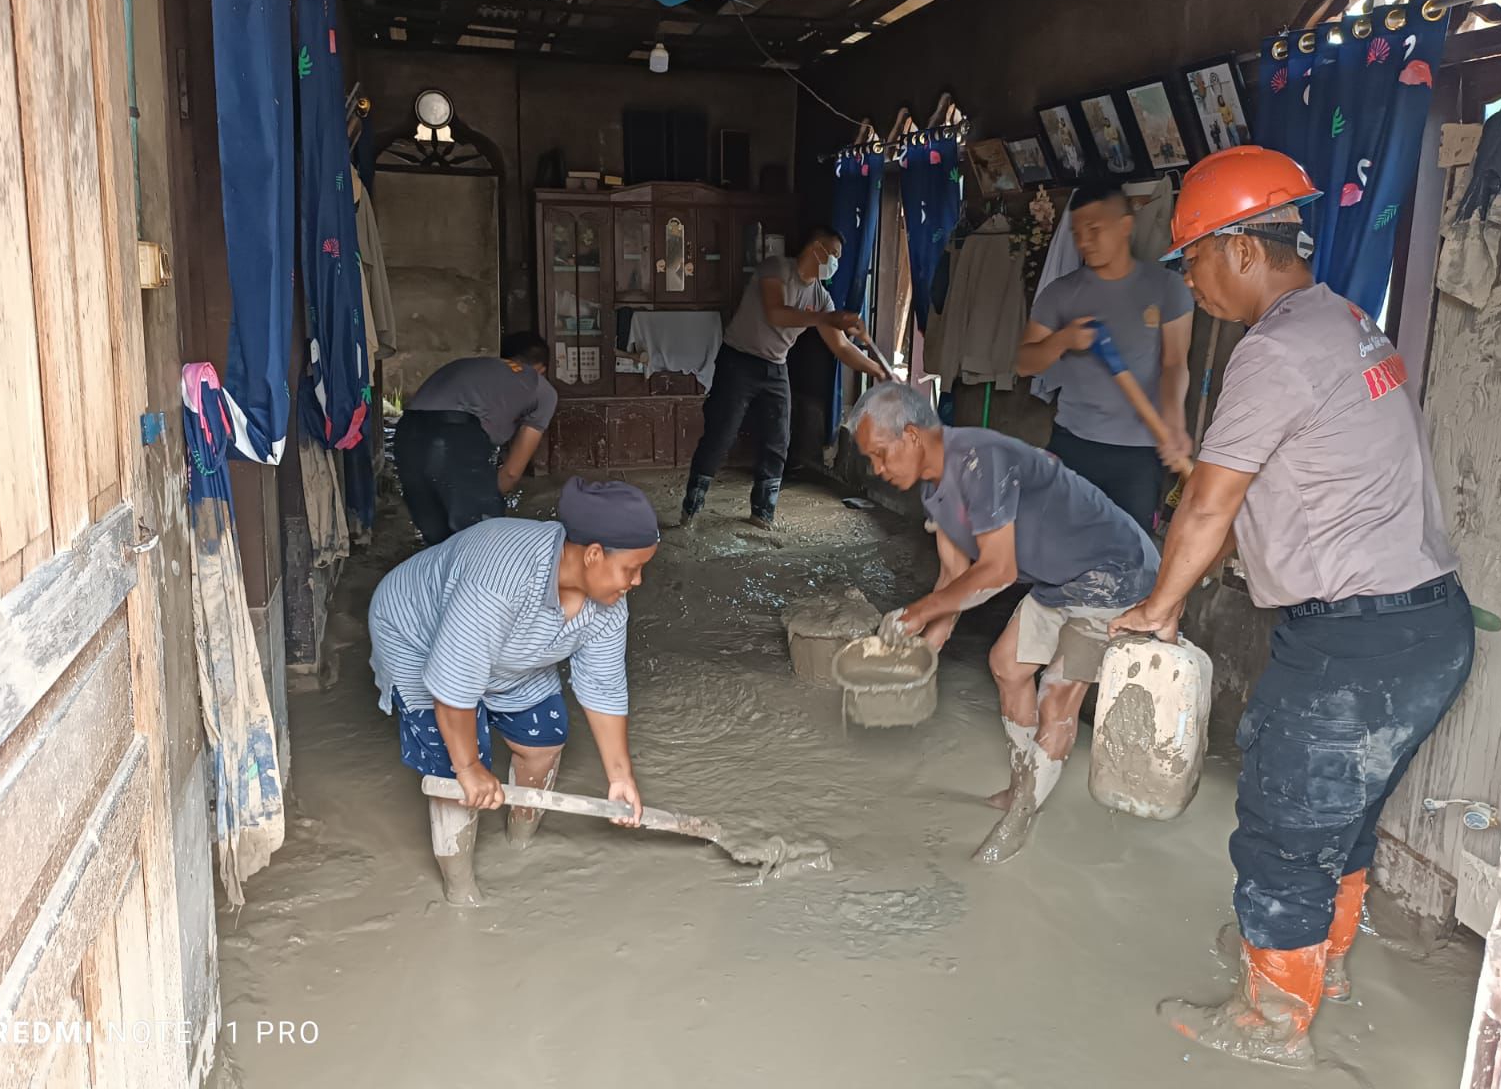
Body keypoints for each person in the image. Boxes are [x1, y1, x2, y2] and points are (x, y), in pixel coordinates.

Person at [1110, 147, 1472, 1069]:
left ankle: (1272, 1021)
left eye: (1190, 260)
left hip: (1354, 642)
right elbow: (1265, 493)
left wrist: (1157, 610)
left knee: (1280, 826)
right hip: (1424, 631)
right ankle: (1325, 967)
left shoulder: (1272, 350)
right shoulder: (1345, 320)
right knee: (1340, 819)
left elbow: (1212, 501)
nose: (1191, 282)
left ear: (1238, 248)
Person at [848, 382, 1160, 864]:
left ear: (911, 435)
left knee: (1057, 692)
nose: (878, 469)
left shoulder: (979, 459)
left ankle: (1021, 819)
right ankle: (1021, 784)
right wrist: (926, 648)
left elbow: (997, 571)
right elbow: (954, 579)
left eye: (880, 455)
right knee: (1006, 665)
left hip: (1113, 572)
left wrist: (912, 614)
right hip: (1060, 580)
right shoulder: (934, 493)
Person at [369, 478, 660, 852]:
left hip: (511, 645)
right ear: (593, 555)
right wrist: (469, 768)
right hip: (416, 634)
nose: (638, 581)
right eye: (632, 568)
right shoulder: (500, 580)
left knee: (544, 742)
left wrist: (620, 777)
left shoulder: (607, 604)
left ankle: (519, 844)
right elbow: (454, 682)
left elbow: (603, 687)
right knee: (453, 776)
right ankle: (460, 889)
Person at [680, 226, 887, 530]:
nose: (835, 263)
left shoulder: (821, 296)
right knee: (720, 435)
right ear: (816, 249)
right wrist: (827, 317)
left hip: (775, 367)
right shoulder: (776, 267)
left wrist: (879, 372)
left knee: (778, 440)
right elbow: (777, 312)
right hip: (739, 360)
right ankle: (691, 507)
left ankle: (762, 512)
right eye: (834, 255)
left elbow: (841, 346)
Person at [1016, 182, 1195, 532]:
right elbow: (1024, 363)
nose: (1084, 242)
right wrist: (1063, 340)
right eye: (1078, 233)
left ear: (1125, 226)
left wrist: (1173, 422)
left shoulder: (1166, 288)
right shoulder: (1061, 294)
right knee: (1059, 543)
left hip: (1139, 453)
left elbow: (1174, 364)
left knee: (1128, 554)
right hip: (1073, 443)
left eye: (1094, 230)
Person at [393, 332, 558, 545]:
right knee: (481, 543)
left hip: (406, 435)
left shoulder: (470, 367)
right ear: (541, 369)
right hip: (456, 436)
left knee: (438, 544)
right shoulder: (541, 388)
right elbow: (511, 472)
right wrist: (482, 495)